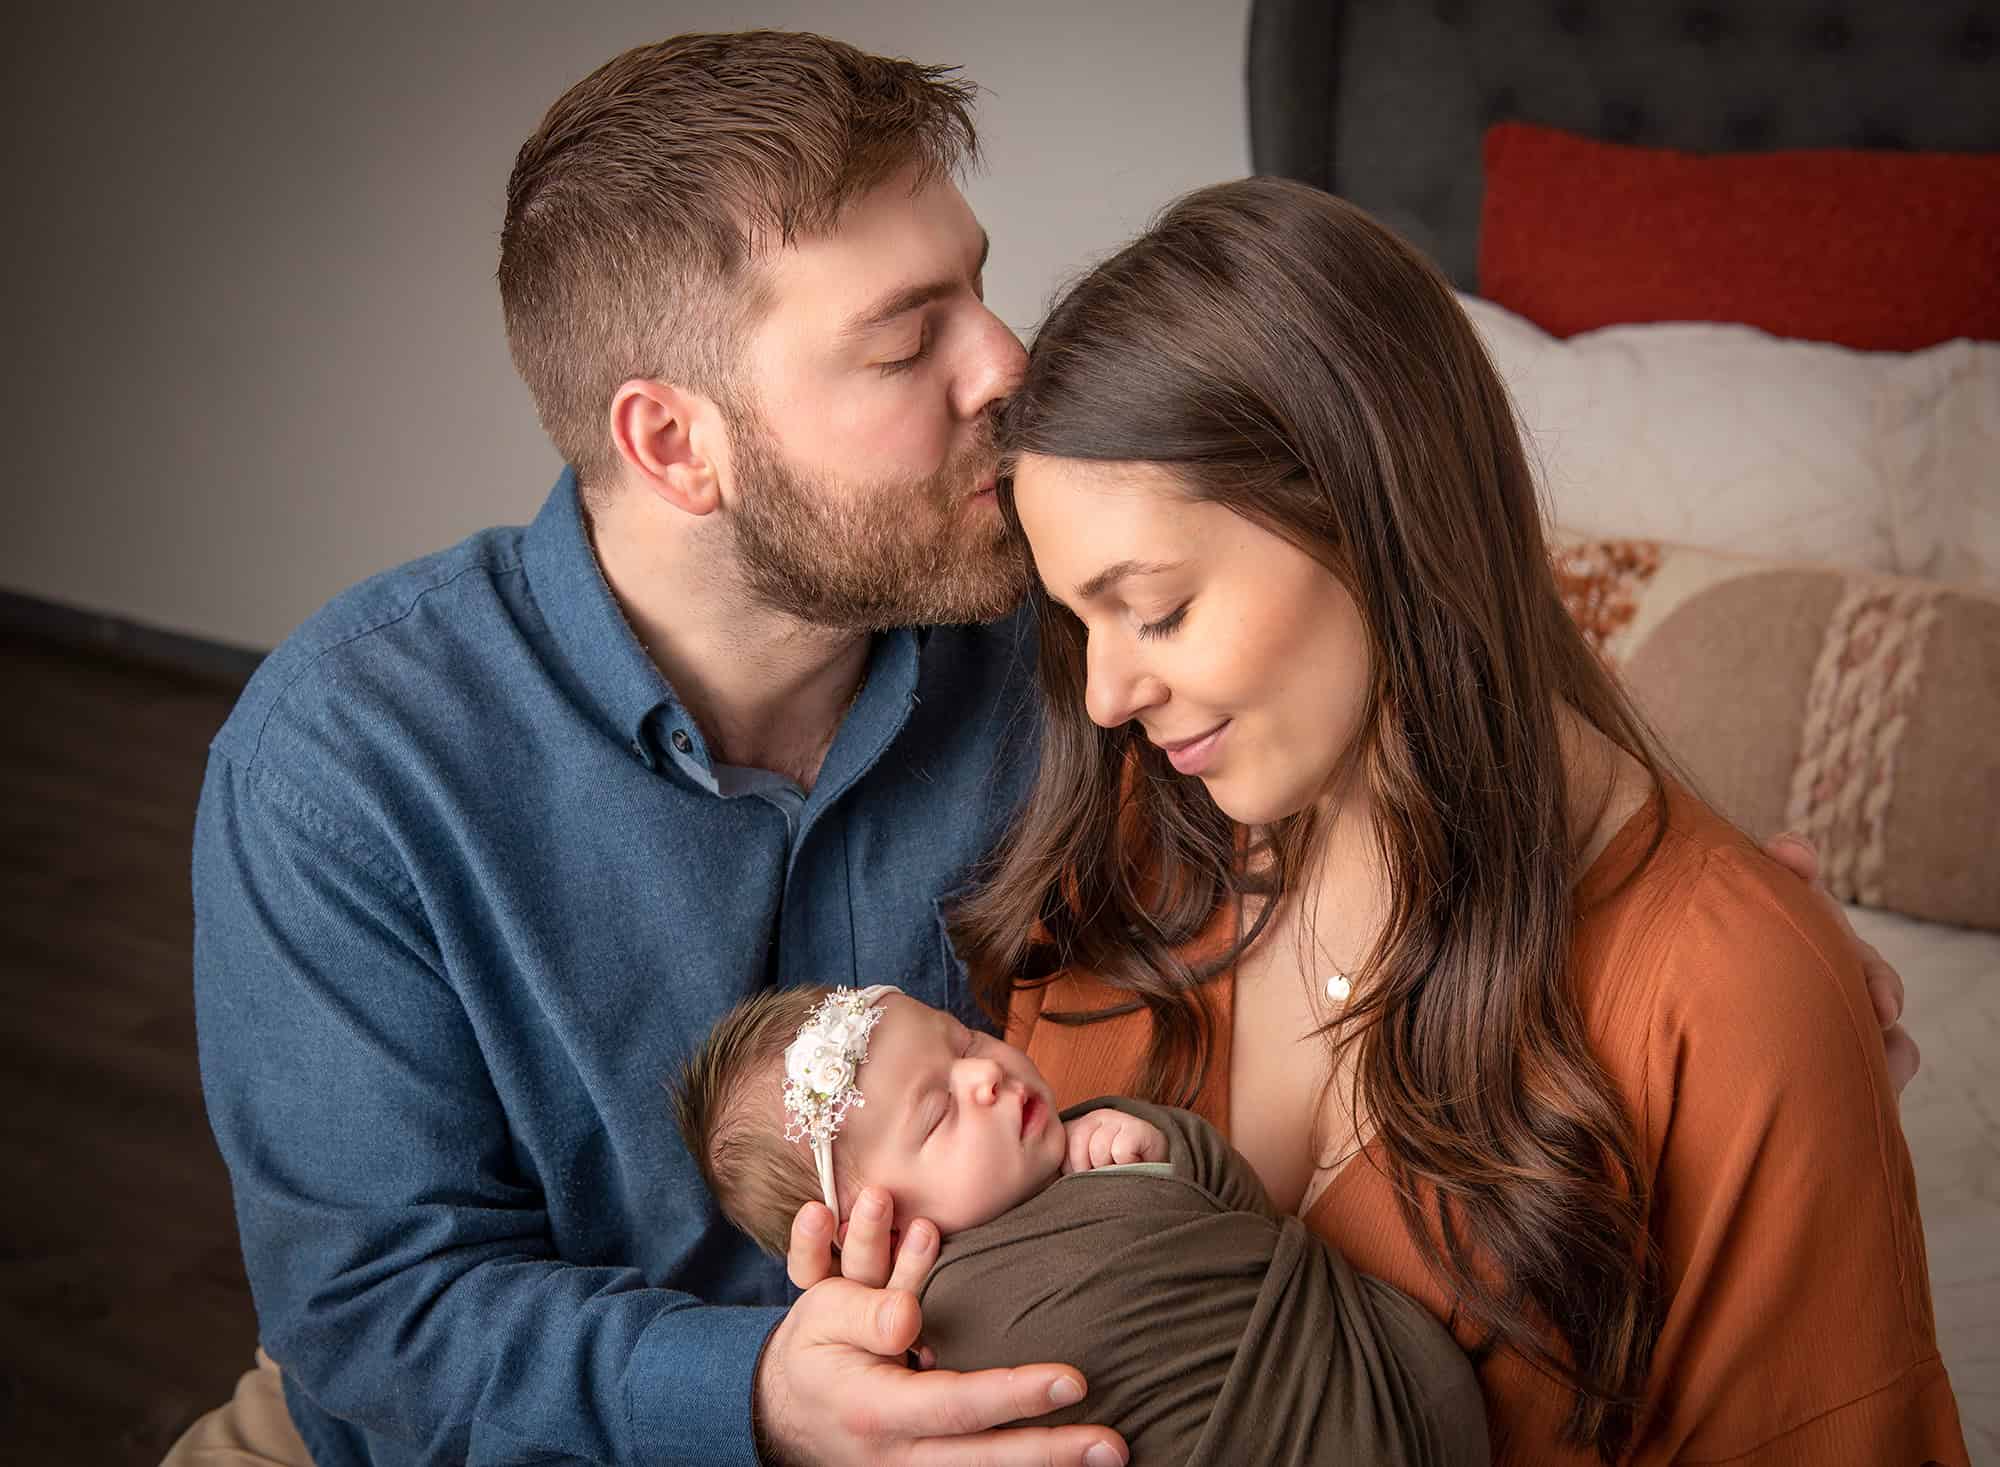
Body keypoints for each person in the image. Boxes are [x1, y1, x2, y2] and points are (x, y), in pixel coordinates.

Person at [173, 28, 1923, 1467]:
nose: (1006, 365)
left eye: (977, 288)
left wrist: (1699, 910)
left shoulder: (1047, 620)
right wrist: (760, 1396)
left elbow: (1393, 597)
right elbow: (376, 1310)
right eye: (904, 338)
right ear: (676, 441)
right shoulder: (346, 768)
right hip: (494, 1415)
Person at [950, 176, 1969, 1465]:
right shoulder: (1139, 848)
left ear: (1372, 516)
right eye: (1076, 621)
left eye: (1152, 608)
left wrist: (1769, 999)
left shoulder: (1721, 994)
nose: (1104, 696)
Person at [672, 983, 1490, 1466]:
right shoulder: (949, 1332)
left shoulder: (1088, 1148)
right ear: (871, 1232)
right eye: (936, 1114)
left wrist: (1151, 1145)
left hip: (1369, 1376)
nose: (983, 1077)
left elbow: (1241, 1215)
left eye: (964, 1039)